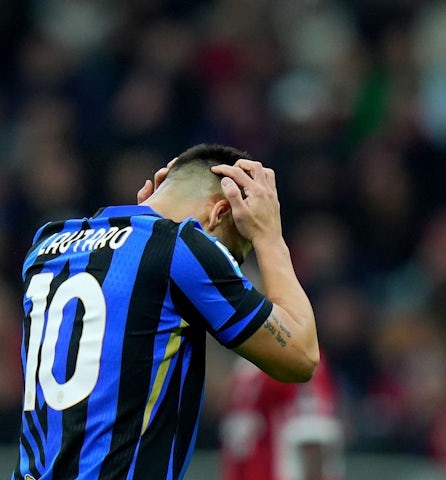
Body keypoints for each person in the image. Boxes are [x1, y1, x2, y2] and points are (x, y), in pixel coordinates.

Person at [13, 143, 319, 480]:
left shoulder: (47, 245)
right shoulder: (181, 247)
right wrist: (268, 236)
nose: (229, 266)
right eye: (233, 252)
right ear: (218, 214)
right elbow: (301, 356)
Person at [220, 353, 343, 480]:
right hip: (262, 468)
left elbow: (313, 435)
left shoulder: (244, 368)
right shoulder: (249, 368)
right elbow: (312, 436)